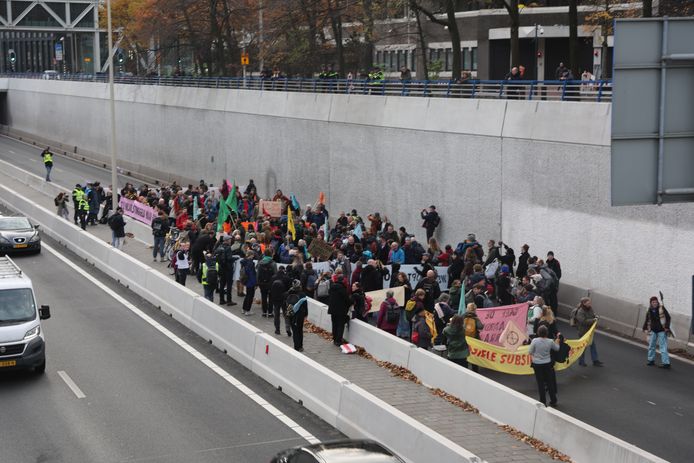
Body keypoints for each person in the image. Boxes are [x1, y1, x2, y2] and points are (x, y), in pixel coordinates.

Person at [529, 325, 560, 406]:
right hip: (547, 364)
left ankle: (542, 401)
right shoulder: (550, 341)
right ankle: (553, 400)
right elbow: (557, 348)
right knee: (549, 382)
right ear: (547, 333)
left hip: (537, 364)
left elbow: (530, 351)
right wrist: (557, 342)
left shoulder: (535, 341)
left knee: (540, 383)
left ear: (538, 333)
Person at [643, 296, 672, 369]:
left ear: (657, 302)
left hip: (661, 330)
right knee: (651, 346)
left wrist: (667, 327)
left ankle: (666, 363)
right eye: (653, 302)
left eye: (656, 302)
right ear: (651, 303)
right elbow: (647, 319)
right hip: (653, 330)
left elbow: (668, 318)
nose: (655, 303)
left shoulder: (661, 308)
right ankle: (651, 360)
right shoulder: (649, 310)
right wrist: (644, 327)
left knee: (663, 347)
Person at [575, 297, 603, 367]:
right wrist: (594, 320)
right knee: (583, 347)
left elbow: (593, 315)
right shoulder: (580, 311)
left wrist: (595, 316)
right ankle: (581, 361)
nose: (590, 304)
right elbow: (583, 321)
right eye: (588, 303)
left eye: (590, 302)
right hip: (583, 332)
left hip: (589, 332)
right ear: (584, 303)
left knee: (592, 345)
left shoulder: (590, 308)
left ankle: (595, 360)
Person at [328, 268, 351, 346]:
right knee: (340, 325)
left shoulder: (332, 287)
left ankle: (334, 339)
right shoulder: (342, 289)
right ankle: (338, 341)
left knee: (334, 324)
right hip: (341, 311)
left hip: (332, 310)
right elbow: (347, 300)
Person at [286, 280, 308, 351]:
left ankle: (296, 346)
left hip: (291, 313)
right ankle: (300, 346)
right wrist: (306, 314)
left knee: (294, 330)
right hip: (300, 314)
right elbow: (305, 305)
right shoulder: (302, 294)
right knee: (299, 330)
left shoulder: (289, 293)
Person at [271, 267, 292, 335]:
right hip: (284, 299)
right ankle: (288, 329)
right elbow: (289, 290)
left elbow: (270, 288)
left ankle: (277, 330)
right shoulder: (287, 278)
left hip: (275, 299)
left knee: (276, 315)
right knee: (286, 315)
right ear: (284, 270)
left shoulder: (273, 277)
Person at [256, 249, 277, 317]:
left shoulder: (260, 262)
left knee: (263, 297)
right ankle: (270, 312)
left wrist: (257, 282)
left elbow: (258, 274)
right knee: (271, 297)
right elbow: (275, 274)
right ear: (271, 254)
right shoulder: (273, 263)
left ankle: (264, 312)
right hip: (271, 283)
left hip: (262, 282)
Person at [463, 303, 484, 372]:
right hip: (474, 339)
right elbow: (480, 327)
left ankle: (465, 369)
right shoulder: (475, 318)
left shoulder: (463, 316)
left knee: (465, 354)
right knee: (474, 355)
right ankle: (475, 370)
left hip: (464, 338)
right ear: (474, 310)